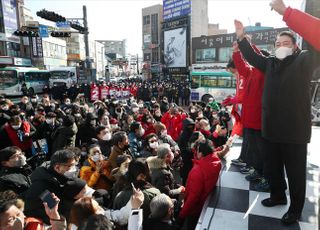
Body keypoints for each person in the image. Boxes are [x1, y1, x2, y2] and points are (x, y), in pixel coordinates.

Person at [235, 19, 312, 224]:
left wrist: (292, 17)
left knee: (295, 173)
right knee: (272, 167)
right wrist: (241, 37)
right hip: (270, 127)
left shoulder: (304, 60)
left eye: (285, 43)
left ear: (295, 46)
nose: (280, 47)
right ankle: (278, 196)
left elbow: (316, 44)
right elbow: (251, 55)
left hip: (294, 131)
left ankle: (295, 210)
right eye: (277, 44)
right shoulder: (269, 62)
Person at [24, 149, 77, 224]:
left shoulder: (58, 175)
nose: (73, 169)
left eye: (74, 165)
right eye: (70, 166)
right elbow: (54, 208)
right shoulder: (43, 186)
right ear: (57, 167)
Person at [179, 139, 221, 230]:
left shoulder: (198, 171)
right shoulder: (216, 162)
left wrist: (182, 214)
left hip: (194, 209)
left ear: (201, 153)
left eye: (197, 151)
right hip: (205, 204)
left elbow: (193, 197)